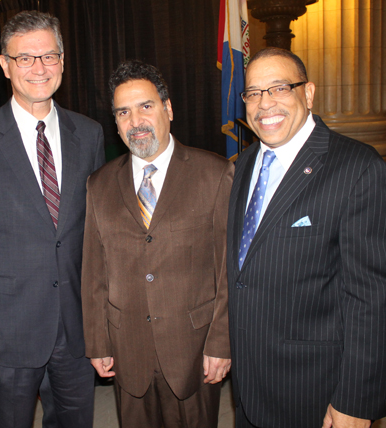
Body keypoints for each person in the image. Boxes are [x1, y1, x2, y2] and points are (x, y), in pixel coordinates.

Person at [0, 10, 104, 428]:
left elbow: (96, 232)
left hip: (75, 326)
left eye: (49, 56)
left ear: (63, 61)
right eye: (25, 58)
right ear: (4, 64)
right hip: (5, 326)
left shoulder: (88, 134)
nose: (39, 68)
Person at [227, 47, 386, 428]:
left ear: (308, 94)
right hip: (250, 386)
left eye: (279, 88)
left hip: (314, 392)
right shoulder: (243, 165)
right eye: (253, 93)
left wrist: (356, 402)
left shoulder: (358, 169)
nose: (264, 103)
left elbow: (373, 299)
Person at [81, 60, 234, 428]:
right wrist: (98, 342)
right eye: (123, 112)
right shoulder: (99, 185)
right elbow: (93, 273)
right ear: (115, 123)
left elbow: (230, 269)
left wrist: (221, 343)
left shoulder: (214, 173)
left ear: (168, 109)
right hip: (127, 349)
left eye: (145, 106)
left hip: (193, 351)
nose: (135, 121)